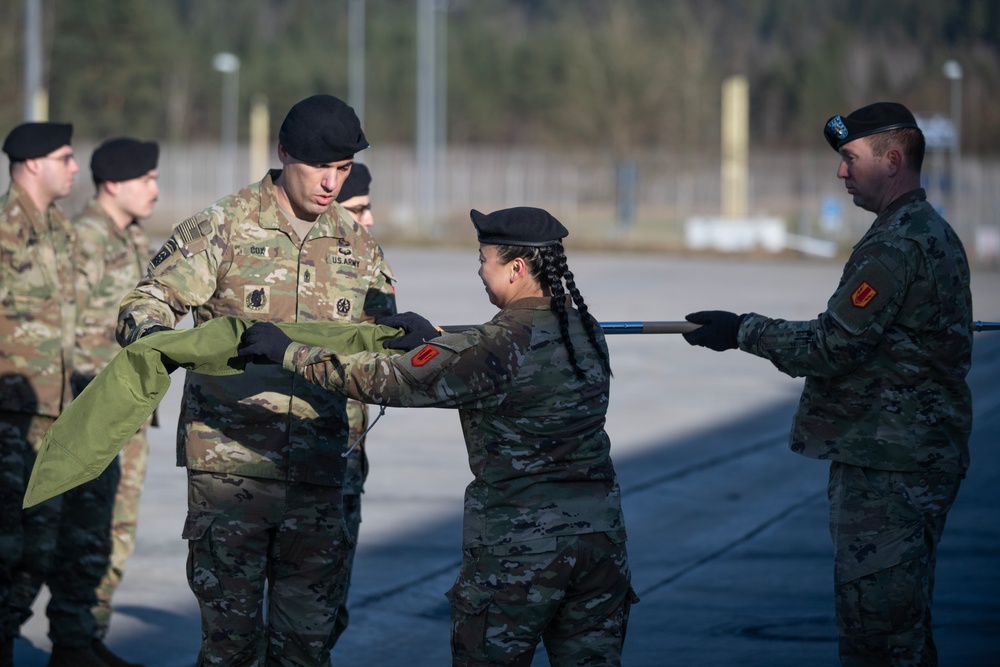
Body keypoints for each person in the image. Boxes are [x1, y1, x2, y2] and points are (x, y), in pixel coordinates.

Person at [239, 206, 639, 666]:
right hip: (600, 544)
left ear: (516, 268)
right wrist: (436, 339)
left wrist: (289, 351)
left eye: (484, 259)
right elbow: (485, 365)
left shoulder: (497, 344)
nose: (479, 270)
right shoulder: (585, 331)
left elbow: (386, 380)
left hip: (521, 548)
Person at [682, 102, 972, 667]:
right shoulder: (927, 231)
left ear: (892, 161)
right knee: (901, 628)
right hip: (912, 457)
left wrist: (742, 330)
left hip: (890, 466)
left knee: (879, 640)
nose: (841, 172)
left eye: (850, 158)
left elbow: (831, 345)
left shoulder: (897, 244)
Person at [115, 94, 397, 666]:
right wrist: (154, 338)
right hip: (231, 472)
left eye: (342, 170)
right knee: (231, 648)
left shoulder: (358, 244)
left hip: (322, 469)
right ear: (283, 154)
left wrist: (401, 334)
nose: (331, 183)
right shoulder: (223, 226)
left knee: (306, 648)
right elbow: (146, 302)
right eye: (320, 167)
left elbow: (375, 350)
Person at [73, 137, 160, 663]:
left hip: (126, 413)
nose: (155, 188)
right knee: (74, 538)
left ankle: (85, 639)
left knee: (113, 535)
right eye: (146, 178)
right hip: (91, 411)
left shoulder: (130, 236)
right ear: (112, 184)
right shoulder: (82, 240)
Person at [330, 160, 382, 647]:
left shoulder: (366, 261)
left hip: (345, 452)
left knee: (327, 608)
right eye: (358, 209)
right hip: (283, 457)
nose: (368, 220)